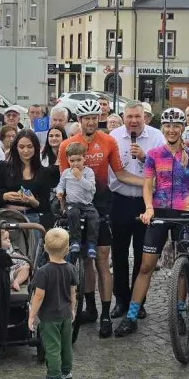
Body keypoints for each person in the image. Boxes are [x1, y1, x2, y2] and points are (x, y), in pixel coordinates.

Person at [114, 107, 189, 337]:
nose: (172, 130)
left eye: (176, 126)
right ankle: (131, 316)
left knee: (182, 268)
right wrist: (149, 208)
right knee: (145, 266)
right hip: (159, 213)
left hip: (183, 215)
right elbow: (147, 184)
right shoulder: (154, 154)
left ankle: (180, 312)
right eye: (168, 126)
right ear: (163, 129)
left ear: (182, 129)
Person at [58, 99, 143, 337]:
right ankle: (90, 309)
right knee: (85, 258)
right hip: (77, 203)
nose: (91, 122)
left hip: (102, 203)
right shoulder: (67, 145)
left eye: (95, 118)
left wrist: (147, 183)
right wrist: (63, 206)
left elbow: (121, 173)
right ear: (79, 121)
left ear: (99, 119)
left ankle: (106, 314)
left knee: (102, 260)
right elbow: (63, 180)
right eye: (86, 119)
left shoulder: (108, 141)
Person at [108, 101, 164, 316]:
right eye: (129, 116)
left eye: (137, 117)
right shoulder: (113, 136)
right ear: (123, 117)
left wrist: (144, 157)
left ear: (145, 118)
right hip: (120, 200)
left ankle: (137, 302)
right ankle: (121, 300)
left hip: (146, 202)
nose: (133, 121)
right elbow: (115, 172)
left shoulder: (156, 137)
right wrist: (143, 181)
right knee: (119, 253)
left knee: (143, 254)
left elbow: (163, 170)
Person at [28, 227, 77, 379]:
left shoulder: (43, 272)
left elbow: (39, 296)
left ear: (45, 248)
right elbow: (72, 292)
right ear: (67, 249)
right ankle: (66, 373)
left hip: (49, 318)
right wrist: (73, 309)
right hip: (65, 314)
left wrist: (31, 316)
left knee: (53, 348)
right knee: (66, 345)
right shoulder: (71, 268)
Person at [0, 129, 51, 224]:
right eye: (21, 147)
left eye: (30, 147)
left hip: (31, 218)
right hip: (6, 216)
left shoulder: (43, 172)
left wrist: (33, 201)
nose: (25, 151)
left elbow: (45, 206)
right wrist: (4, 196)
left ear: (36, 147)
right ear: (16, 148)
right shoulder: (3, 167)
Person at [56, 142, 99, 260]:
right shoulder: (66, 173)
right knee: (72, 214)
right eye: (72, 160)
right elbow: (60, 185)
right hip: (72, 203)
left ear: (84, 158)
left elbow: (91, 188)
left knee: (94, 217)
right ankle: (75, 241)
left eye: (79, 160)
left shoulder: (88, 172)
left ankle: (91, 244)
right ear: (68, 160)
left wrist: (80, 177)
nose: (75, 164)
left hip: (87, 204)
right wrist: (59, 192)